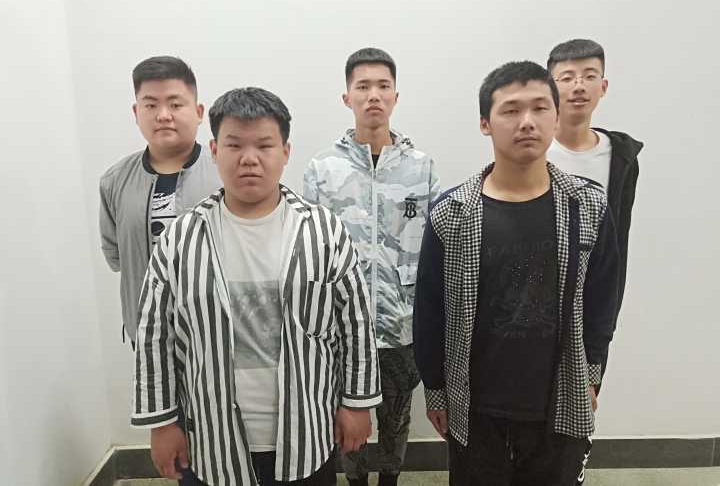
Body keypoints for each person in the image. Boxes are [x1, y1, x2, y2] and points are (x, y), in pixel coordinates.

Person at [132, 87, 381, 485]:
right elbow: (154, 336)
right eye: (234, 145)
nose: (249, 158)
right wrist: (161, 423)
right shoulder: (181, 238)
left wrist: (356, 403)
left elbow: (356, 323)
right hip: (211, 436)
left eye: (264, 145)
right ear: (215, 150)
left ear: (285, 152)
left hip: (306, 431)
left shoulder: (323, 232)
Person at [414, 61, 620, 485]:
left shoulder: (588, 206)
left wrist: (591, 374)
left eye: (540, 108)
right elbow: (430, 310)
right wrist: (435, 389)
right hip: (476, 406)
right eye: (510, 110)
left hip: (558, 399)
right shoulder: (452, 214)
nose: (527, 122)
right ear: (485, 124)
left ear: (556, 117)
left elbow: (602, 300)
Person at [303, 47, 439, 486]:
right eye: (363, 86)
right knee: (348, 418)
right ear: (347, 97)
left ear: (396, 96)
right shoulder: (323, 169)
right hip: (343, 326)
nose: (373, 95)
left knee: (397, 418)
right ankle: (356, 481)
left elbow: (433, 251)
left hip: (402, 325)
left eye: (383, 86)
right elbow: (310, 250)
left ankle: (391, 480)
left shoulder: (421, 169)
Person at [99, 56, 220, 345]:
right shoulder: (115, 180)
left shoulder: (224, 173)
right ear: (136, 112)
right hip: (147, 333)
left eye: (175, 105)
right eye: (151, 105)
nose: (163, 115)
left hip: (216, 331)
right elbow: (115, 255)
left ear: (199, 112)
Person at [547, 38, 643, 335]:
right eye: (567, 78)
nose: (579, 86)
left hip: (593, 304)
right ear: (549, 88)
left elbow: (618, 240)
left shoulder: (620, 158)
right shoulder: (533, 150)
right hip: (537, 302)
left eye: (589, 76)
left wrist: (608, 316)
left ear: (603, 86)